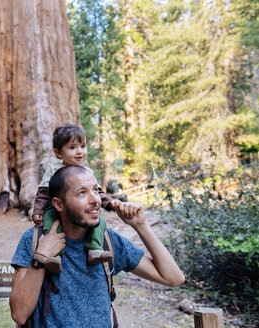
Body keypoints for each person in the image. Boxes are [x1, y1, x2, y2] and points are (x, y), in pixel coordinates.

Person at [10, 165, 184, 327]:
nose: (96, 200)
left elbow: (173, 278)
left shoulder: (107, 241)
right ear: (58, 204)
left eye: (95, 190)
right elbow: (19, 314)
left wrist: (141, 225)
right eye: (82, 193)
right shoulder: (35, 240)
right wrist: (41, 258)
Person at [32, 124, 121, 273]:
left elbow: (97, 192)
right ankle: (55, 256)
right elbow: (43, 192)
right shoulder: (54, 170)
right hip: (55, 208)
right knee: (50, 222)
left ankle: (94, 249)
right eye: (72, 148)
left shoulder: (87, 172)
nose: (79, 151)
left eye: (83, 146)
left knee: (100, 221)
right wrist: (38, 210)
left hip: (82, 210)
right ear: (58, 153)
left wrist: (110, 203)